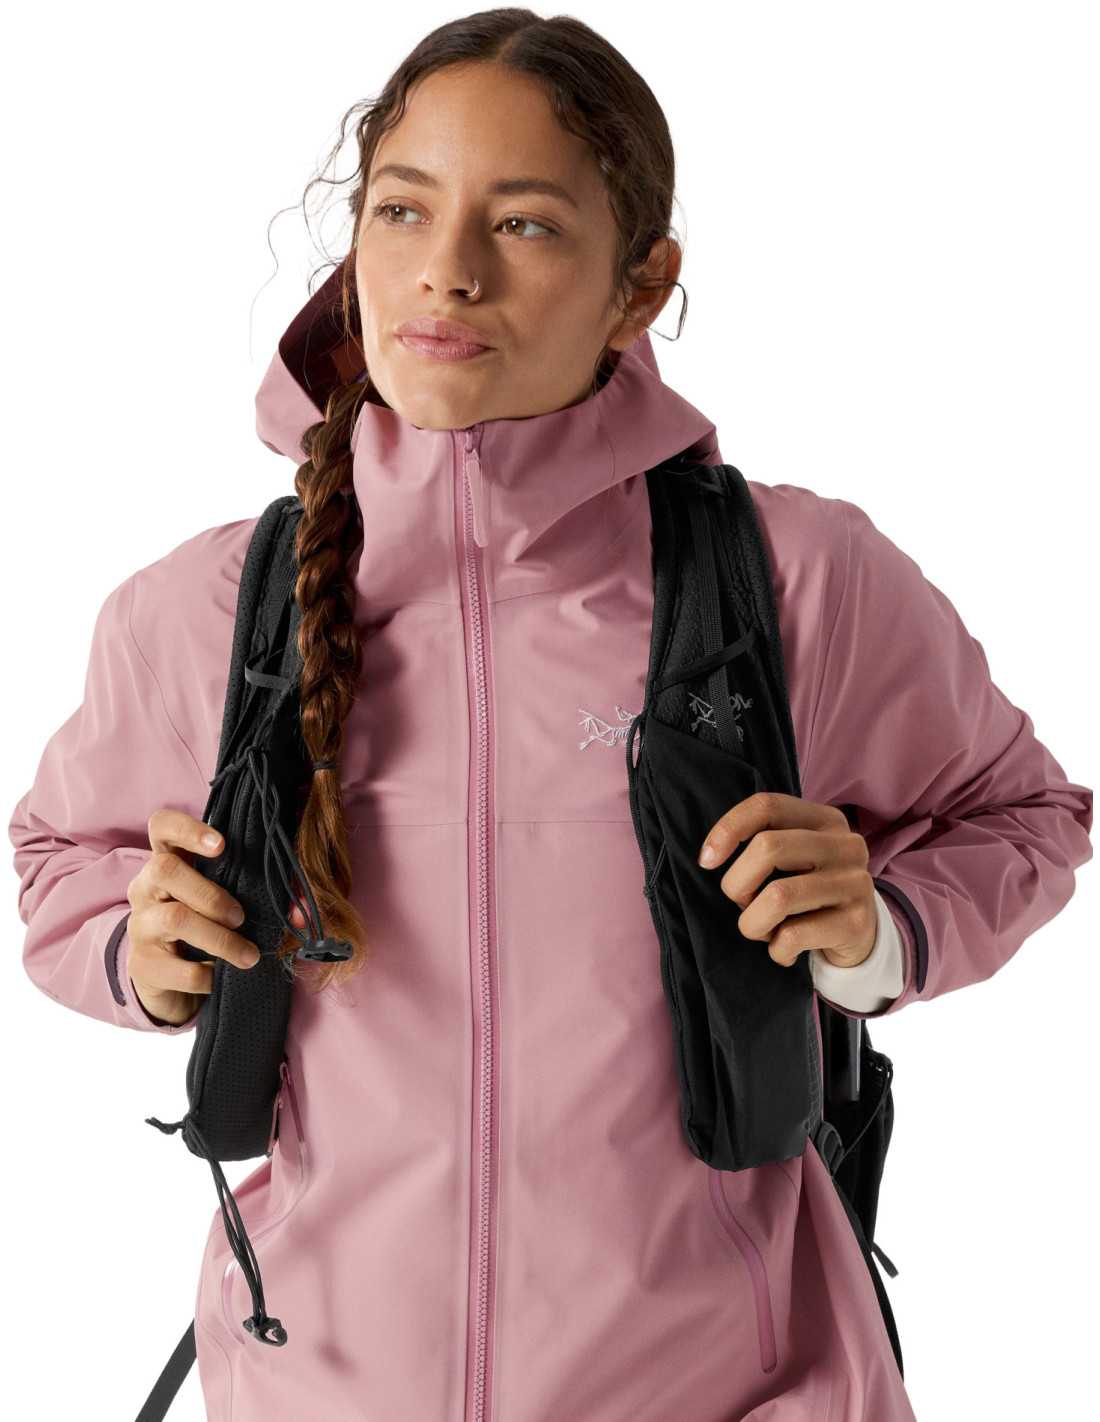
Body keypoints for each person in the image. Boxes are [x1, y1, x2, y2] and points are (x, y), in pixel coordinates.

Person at [9, 10, 1093, 1421]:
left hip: (736, 1385)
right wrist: (141, 949)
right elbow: (57, 856)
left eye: (523, 224)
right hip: (319, 1381)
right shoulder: (212, 608)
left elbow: (1026, 815)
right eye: (404, 210)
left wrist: (876, 931)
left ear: (641, 287)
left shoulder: (793, 580)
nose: (447, 270)